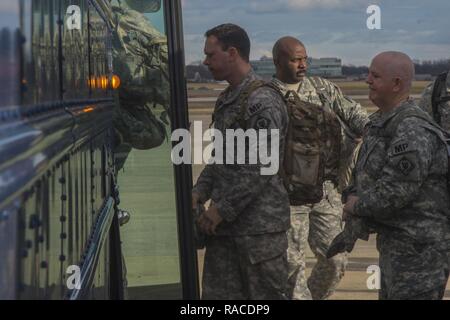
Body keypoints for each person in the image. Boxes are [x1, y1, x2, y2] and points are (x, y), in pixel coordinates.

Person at [192, 24, 290, 300]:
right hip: (224, 230)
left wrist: (222, 209)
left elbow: (261, 166)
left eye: (211, 55)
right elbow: (218, 158)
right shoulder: (227, 99)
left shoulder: (263, 100)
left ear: (232, 53)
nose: (205, 61)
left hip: (259, 234)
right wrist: (199, 191)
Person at [343, 51, 449, 300]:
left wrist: (356, 206)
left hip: (419, 252)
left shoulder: (412, 129)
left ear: (397, 84)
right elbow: (364, 172)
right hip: (396, 244)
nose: (367, 80)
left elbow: (394, 193)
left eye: (375, 75)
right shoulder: (382, 122)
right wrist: (352, 194)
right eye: (369, 73)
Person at [270, 36, 369, 300]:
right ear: (277, 61)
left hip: (326, 191)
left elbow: (355, 114)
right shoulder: (268, 95)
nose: (302, 65)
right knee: (292, 266)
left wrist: (377, 134)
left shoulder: (321, 87)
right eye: (295, 59)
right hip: (288, 195)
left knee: (336, 260)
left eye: (305, 58)